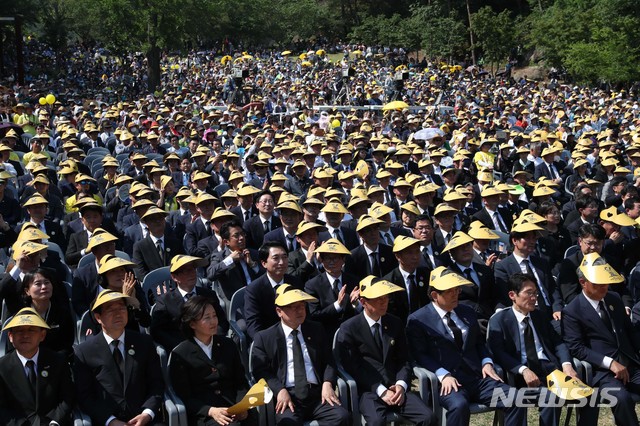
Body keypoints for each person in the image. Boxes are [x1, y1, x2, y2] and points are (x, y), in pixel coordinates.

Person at [406, 267, 526, 426]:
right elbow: (420, 355)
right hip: (447, 382)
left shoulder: (467, 311)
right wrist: (443, 375)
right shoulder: (418, 319)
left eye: (457, 290)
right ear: (435, 295)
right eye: (451, 291)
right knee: (459, 406)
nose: (457, 294)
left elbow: (479, 342)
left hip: (477, 378)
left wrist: (486, 362)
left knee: (516, 398)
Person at [337, 276, 434, 426]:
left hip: (396, 388)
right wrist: (380, 390)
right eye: (378, 299)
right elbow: (354, 367)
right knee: (376, 421)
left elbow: (404, 359)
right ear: (363, 302)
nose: (384, 302)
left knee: (428, 417)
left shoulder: (395, 323)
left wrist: (401, 385)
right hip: (368, 390)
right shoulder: (349, 328)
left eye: (386, 297)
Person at [251, 284, 350, 426]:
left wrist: (328, 383)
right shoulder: (265, 337)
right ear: (279, 311)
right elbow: (261, 371)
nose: (300, 310)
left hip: (317, 395)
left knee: (342, 417)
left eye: (302, 305)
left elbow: (329, 361)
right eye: (293, 307)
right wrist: (279, 390)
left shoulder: (316, 329)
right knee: (289, 422)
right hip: (288, 397)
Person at [487, 273, 578, 426]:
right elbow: (498, 352)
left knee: (589, 396)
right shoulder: (500, 320)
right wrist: (523, 370)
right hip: (521, 375)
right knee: (551, 397)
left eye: (535, 293)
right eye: (529, 293)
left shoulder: (539, 316)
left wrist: (567, 366)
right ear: (512, 295)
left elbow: (558, 343)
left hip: (550, 372)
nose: (534, 297)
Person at [562, 253, 640, 426]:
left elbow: (630, 331)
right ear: (583, 283)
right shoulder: (572, 311)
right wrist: (609, 362)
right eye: (599, 284)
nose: (605, 287)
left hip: (630, 365)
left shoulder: (614, 299)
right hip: (602, 373)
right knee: (621, 398)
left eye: (606, 282)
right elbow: (576, 347)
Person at [73, 290, 165, 426]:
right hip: (107, 421)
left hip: (144, 419)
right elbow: (85, 396)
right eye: (110, 310)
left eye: (122, 308)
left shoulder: (144, 342)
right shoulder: (84, 352)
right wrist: (110, 421)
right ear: (98, 317)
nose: (118, 313)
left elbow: (156, 383)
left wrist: (147, 414)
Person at [170, 296, 257, 426]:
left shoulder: (228, 344)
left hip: (232, 406)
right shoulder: (181, 354)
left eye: (214, 316)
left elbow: (240, 381)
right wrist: (210, 411)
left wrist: (241, 405)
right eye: (207, 318)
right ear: (192, 323)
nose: (213, 321)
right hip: (205, 415)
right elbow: (184, 396)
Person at [0, 307, 75, 425]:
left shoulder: (58, 361)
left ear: (42, 335)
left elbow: (67, 398)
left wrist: (54, 421)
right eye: (19, 330)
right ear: (10, 336)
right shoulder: (2, 367)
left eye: (31, 330)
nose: (25, 335)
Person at [151, 255, 228, 351]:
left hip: (211, 345)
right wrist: (181, 346)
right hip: (183, 352)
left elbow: (222, 321)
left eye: (193, 269)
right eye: (186, 271)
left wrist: (213, 339)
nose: (192, 273)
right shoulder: (165, 301)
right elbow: (157, 331)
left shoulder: (209, 295)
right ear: (175, 277)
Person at [244, 241, 301, 340]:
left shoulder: (295, 283)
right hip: (269, 338)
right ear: (264, 263)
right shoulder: (254, 289)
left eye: (284, 257)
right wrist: (265, 343)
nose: (281, 262)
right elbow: (253, 324)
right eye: (276, 258)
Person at [304, 238, 359, 337]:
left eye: (335, 258)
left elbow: (362, 311)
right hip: (326, 335)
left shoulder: (354, 281)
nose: (331, 262)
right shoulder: (312, 285)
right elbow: (314, 315)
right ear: (322, 260)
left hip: (353, 334)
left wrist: (356, 304)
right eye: (327, 258)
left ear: (343, 259)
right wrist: (337, 305)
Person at [21, 268, 74, 357]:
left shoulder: (62, 312)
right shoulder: (22, 315)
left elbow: (67, 344)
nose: (44, 287)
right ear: (27, 291)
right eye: (38, 284)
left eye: (47, 282)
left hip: (57, 361)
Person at [207, 220, 262, 301]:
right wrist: (230, 259)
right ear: (226, 241)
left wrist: (253, 265)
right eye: (236, 236)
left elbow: (266, 276)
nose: (242, 238)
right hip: (235, 301)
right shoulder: (219, 256)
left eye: (242, 234)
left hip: (256, 297)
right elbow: (211, 274)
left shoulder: (253, 254)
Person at [383, 235, 431, 323]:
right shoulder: (388, 282)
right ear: (398, 256)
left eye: (417, 252)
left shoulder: (427, 275)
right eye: (409, 253)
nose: (415, 257)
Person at [132, 206, 184, 280]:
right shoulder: (140, 246)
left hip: (175, 284)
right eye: (152, 219)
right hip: (153, 288)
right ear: (146, 223)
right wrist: (155, 285)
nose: (157, 221)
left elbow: (183, 265)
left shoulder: (175, 243)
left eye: (160, 218)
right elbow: (140, 272)